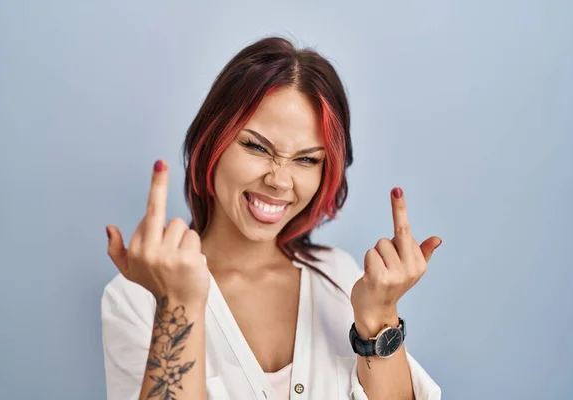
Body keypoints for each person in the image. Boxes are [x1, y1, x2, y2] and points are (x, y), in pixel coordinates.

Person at [101, 36, 443, 400]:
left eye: (307, 159)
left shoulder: (341, 277)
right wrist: (177, 305)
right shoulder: (136, 299)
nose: (279, 180)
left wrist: (380, 314)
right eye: (256, 146)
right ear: (211, 139)